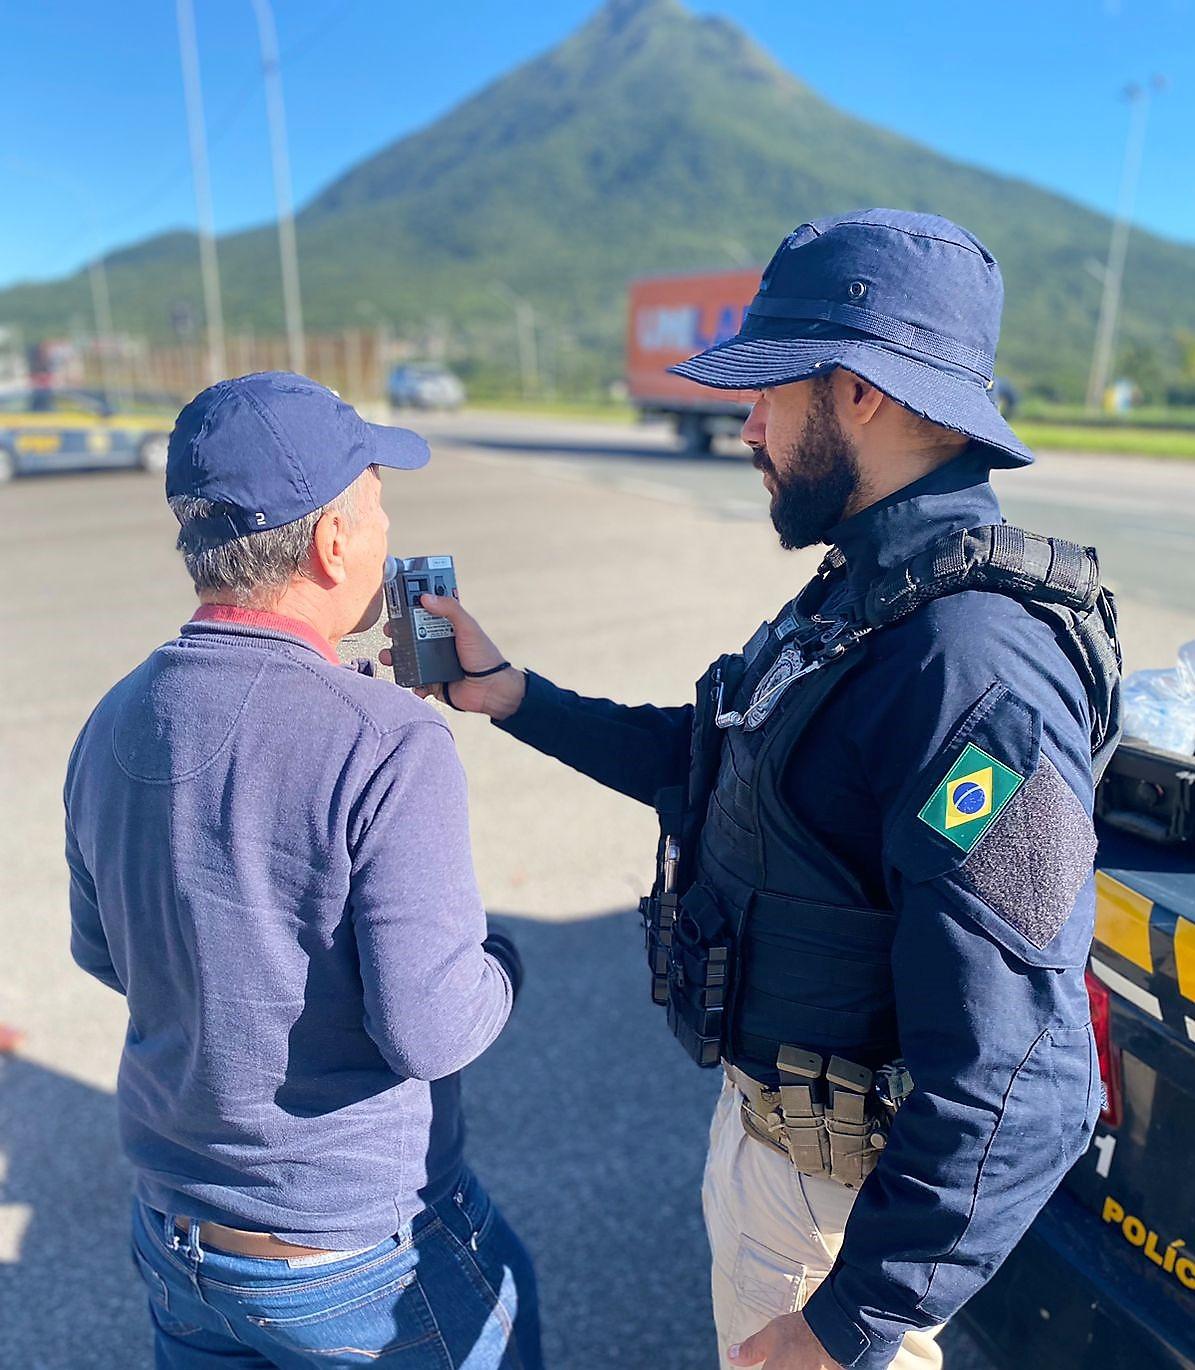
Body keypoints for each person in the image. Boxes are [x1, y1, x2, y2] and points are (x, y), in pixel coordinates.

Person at [392, 211, 1121, 1370]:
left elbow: (1024, 1073)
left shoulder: (971, 670)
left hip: (834, 1228)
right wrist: (518, 695)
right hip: (780, 1157)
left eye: (767, 390)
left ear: (861, 393)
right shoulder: (866, 596)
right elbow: (724, 770)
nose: (744, 425)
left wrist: (851, 1318)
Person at [64, 372, 541, 1369]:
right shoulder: (387, 740)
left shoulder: (112, 716)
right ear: (330, 542)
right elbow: (434, 1026)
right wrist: (501, 959)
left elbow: (105, 952)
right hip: (354, 1254)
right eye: (377, 509)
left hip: (181, 1238)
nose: (388, 538)